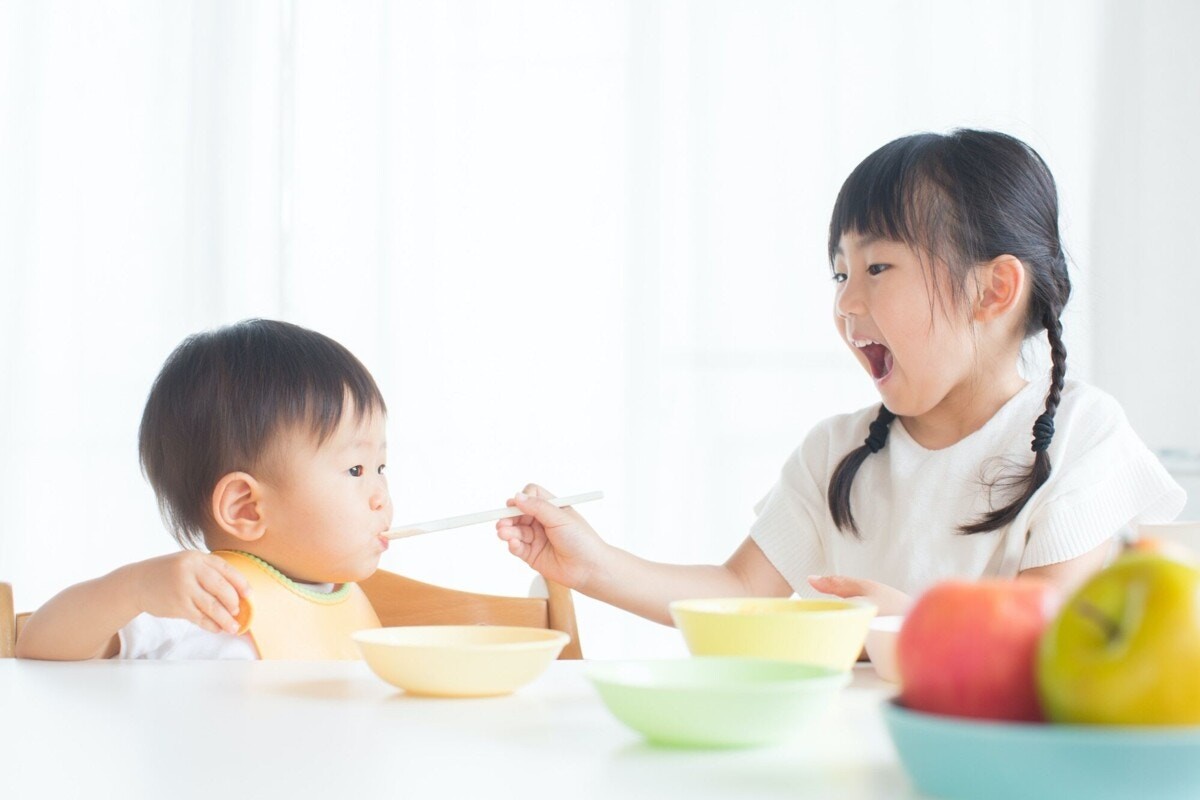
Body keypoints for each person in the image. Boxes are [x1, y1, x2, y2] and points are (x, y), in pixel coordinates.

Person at [497, 129, 1186, 624]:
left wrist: (906, 623)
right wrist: (595, 566)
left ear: (994, 290)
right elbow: (740, 591)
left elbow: (1044, 624)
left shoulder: (1082, 437)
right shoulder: (837, 454)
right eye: (839, 273)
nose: (847, 303)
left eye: (878, 268)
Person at [16, 319, 393, 659]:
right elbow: (37, 644)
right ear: (246, 507)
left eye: (381, 467)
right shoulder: (200, 602)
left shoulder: (350, 604)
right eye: (356, 469)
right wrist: (135, 588)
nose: (381, 496)